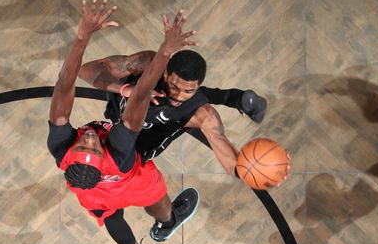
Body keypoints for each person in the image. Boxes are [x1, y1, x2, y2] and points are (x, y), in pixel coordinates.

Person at [48, 0, 200, 244]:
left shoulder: (61, 147)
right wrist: (165, 51)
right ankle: (167, 224)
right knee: (160, 203)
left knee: (108, 216)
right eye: (94, 147)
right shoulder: (118, 151)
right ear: (104, 152)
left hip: (94, 192)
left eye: (84, 145)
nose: (91, 139)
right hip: (134, 181)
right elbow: (141, 96)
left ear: (69, 153)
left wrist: (82, 36)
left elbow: (64, 84)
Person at [79, 48, 271, 177]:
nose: (179, 96)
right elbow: (86, 70)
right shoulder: (149, 64)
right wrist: (126, 90)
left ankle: (240, 99)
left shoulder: (202, 114)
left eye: (189, 90)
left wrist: (266, 172)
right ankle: (240, 99)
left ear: (197, 85)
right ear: (165, 74)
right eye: (174, 86)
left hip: (137, 149)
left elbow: (234, 167)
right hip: (117, 116)